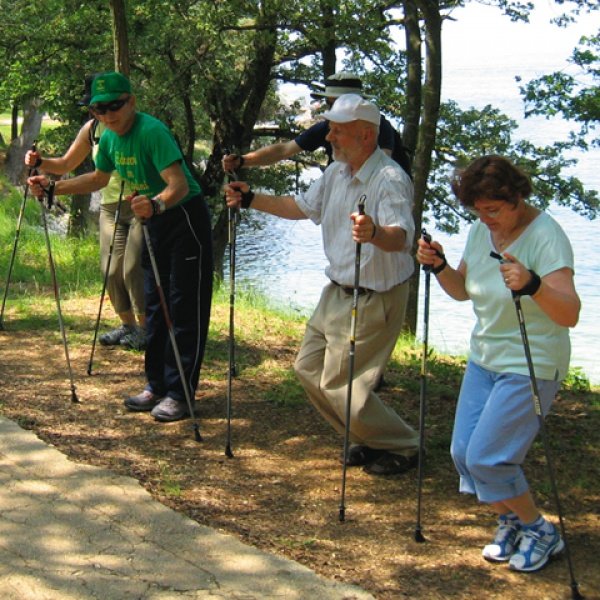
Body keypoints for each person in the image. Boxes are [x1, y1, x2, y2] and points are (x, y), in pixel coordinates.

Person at [224, 93, 419, 476]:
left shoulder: (390, 178)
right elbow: (300, 207)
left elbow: (402, 238)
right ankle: (367, 437)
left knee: (341, 383)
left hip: (375, 295)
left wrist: (375, 232)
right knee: (308, 367)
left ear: (365, 135)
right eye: (329, 129)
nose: (329, 137)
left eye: (337, 131)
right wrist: (250, 200)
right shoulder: (335, 173)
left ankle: (402, 444)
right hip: (337, 290)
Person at [416, 155, 580, 572]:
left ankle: (540, 530)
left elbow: (569, 313)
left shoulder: (547, 236)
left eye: (493, 210)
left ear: (517, 197)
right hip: (485, 357)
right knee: (462, 453)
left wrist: (533, 284)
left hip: (532, 361)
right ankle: (510, 521)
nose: (486, 219)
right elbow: (463, 291)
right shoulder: (480, 231)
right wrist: (439, 266)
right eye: (478, 211)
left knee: (490, 457)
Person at [28, 71, 214, 423]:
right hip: (154, 218)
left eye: (115, 105)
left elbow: (178, 185)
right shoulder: (110, 138)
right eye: (99, 108)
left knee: (183, 308)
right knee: (156, 307)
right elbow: (98, 179)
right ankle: (156, 385)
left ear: (131, 102)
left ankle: (181, 394)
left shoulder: (152, 131)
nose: (108, 114)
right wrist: (53, 187)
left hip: (184, 218)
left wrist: (157, 205)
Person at [25, 75, 146, 350]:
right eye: (96, 109)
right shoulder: (91, 130)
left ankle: (146, 329)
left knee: (132, 268)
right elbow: (66, 162)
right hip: (109, 205)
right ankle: (127, 325)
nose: (104, 114)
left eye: (108, 107)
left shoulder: (133, 127)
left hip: (139, 203)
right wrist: (41, 161)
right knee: (110, 269)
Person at [222, 71, 411, 177]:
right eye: (329, 103)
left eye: (334, 102)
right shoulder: (326, 127)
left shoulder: (379, 127)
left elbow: (378, 167)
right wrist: (243, 161)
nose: (330, 108)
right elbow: (284, 150)